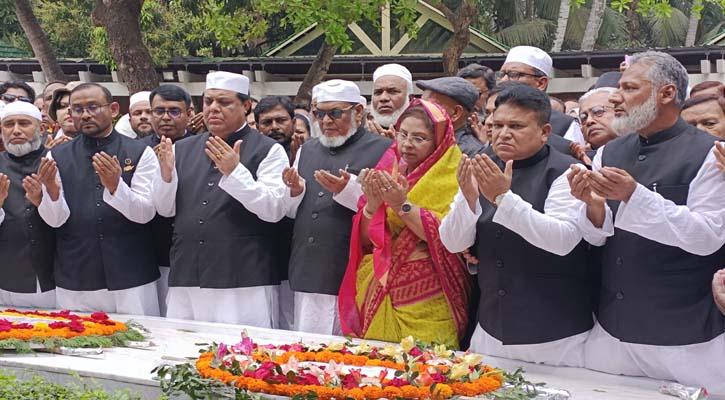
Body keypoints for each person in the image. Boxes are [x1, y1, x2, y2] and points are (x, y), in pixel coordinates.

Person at [574, 51, 725, 394]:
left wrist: (634, 195)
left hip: (686, 333)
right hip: (614, 328)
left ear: (667, 94)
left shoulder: (710, 153)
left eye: (628, 87)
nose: (615, 96)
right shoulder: (608, 152)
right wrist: (591, 207)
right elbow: (597, 237)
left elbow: (708, 237)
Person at [439, 84, 598, 367]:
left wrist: (503, 198)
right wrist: (469, 198)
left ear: (545, 132)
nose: (503, 133)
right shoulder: (483, 165)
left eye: (516, 125)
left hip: (556, 333)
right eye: (497, 125)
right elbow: (452, 242)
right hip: (490, 327)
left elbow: (562, 240)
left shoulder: (566, 172)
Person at [153, 71, 289, 327]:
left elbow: (273, 209)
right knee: (182, 352)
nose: (213, 109)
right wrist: (166, 175)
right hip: (188, 271)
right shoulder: (182, 148)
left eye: (224, 102)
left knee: (240, 357)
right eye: (208, 102)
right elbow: (164, 209)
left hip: (242, 275)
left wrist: (235, 172)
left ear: (246, 106)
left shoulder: (269, 149)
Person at [338, 98, 471, 348]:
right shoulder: (390, 169)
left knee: (431, 372)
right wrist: (372, 207)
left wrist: (402, 205)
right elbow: (367, 241)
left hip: (428, 295)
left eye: (419, 138)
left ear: (439, 141)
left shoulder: (456, 173)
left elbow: (449, 236)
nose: (407, 144)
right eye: (403, 135)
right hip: (381, 286)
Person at [37, 82, 161, 315]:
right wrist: (52, 193)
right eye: (77, 109)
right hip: (77, 271)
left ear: (113, 110)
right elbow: (54, 221)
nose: (85, 115)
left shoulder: (139, 152)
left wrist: (116, 187)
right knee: (78, 342)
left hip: (131, 271)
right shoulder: (57, 155)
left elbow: (145, 214)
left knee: (140, 343)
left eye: (93, 107)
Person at [282, 79, 392, 335]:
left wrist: (347, 190)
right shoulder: (307, 149)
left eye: (335, 113)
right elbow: (290, 207)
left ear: (358, 113)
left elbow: (387, 212)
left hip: (350, 270)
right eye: (319, 113)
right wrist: (294, 192)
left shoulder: (384, 149)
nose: (326, 120)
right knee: (304, 353)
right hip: (308, 266)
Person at [144, 84, 194, 317]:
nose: (166, 117)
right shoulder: (136, 149)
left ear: (189, 114)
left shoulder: (203, 147)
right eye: (159, 111)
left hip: (191, 254)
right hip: (149, 253)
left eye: (174, 111)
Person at [0, 101, 56, 308]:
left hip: (57, 274)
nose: (16, 130)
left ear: (41, 128)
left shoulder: (57, 160)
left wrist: (44, 200)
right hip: (6, 275)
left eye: (24, 123)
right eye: (9, 124)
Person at [497, 46, 585, 144]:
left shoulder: (564, 125)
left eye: (513, 74)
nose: (503, 80)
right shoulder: (489, 119)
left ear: (541, 83)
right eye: (501, 74)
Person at [418, 77, 487, 157]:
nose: (420, 110)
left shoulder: (468, 154)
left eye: (430, 106)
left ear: (456, 113)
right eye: (420, 104)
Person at [569, 87, 619, 165]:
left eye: (598, 111)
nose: (589, 121)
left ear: (620, 111)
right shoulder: (576, 163)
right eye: (583, 118)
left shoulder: (641, 150)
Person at [368, 63, 414, 137]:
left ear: (410, 98)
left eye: (393, 92)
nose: (383, 98)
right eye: (378, 92)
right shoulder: (359, 138)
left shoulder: (423, 134)